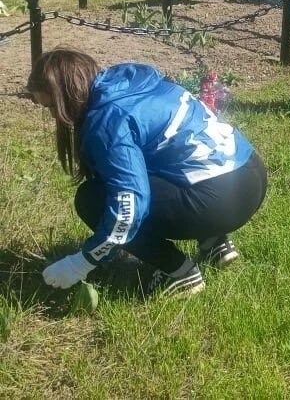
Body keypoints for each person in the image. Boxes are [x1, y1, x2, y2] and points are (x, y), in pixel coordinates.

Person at [27, 48, 268, 297]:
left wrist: (82, 262)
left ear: (67, 95)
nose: (55, 115)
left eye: (52, 106)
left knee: (91, 200)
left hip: (219, 200)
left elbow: (128, 207)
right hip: (250, 173)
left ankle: (180, 273)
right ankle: (213, 242)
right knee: (153, 161)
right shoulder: (131, 83)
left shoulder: (109, 120)